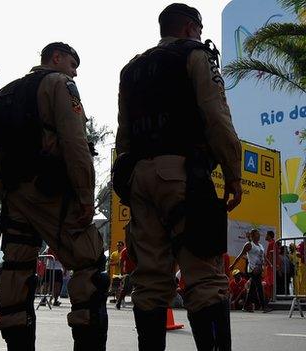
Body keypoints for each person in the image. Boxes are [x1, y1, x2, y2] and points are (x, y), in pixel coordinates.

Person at [115, 4, 243, 350]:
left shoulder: (131, 69)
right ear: (190, 28)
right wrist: (233, 173)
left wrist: (128, 183)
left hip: (139, 176)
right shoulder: (196, 55)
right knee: (205, 277)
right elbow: (216, 116)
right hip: (184, 174)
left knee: (151, 280)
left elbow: (122, 135)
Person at [0, 43, 107, 351]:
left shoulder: (7, 92)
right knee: (90, 266)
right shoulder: (59, 83)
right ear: (56, 58)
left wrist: (5, 193)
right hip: (52, 191)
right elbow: (74, 140)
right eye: (72, 62)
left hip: (15, 195)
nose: (75, 70)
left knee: (16, 272)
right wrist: (85, 194)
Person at [230, 229, 272, 313]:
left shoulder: (260, 245)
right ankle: (264, 306)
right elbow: (240, 255)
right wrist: (233, 265)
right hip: (253, 269)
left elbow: (264, 256)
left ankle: (246, 306)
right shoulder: (249, 245)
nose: (259, 235)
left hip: (259, 269)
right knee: (259, 287)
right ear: (252, 236)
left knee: (252, 288)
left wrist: (270, 264)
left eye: (259, 234)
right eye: (257, 234)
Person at [115, 243, 136, 310]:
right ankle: (119, 302)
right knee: (125, 288)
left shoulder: (137, 250)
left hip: (137, 272)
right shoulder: (125, 251)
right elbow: (121, 262)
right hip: (128, 272)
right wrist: (121, 272)